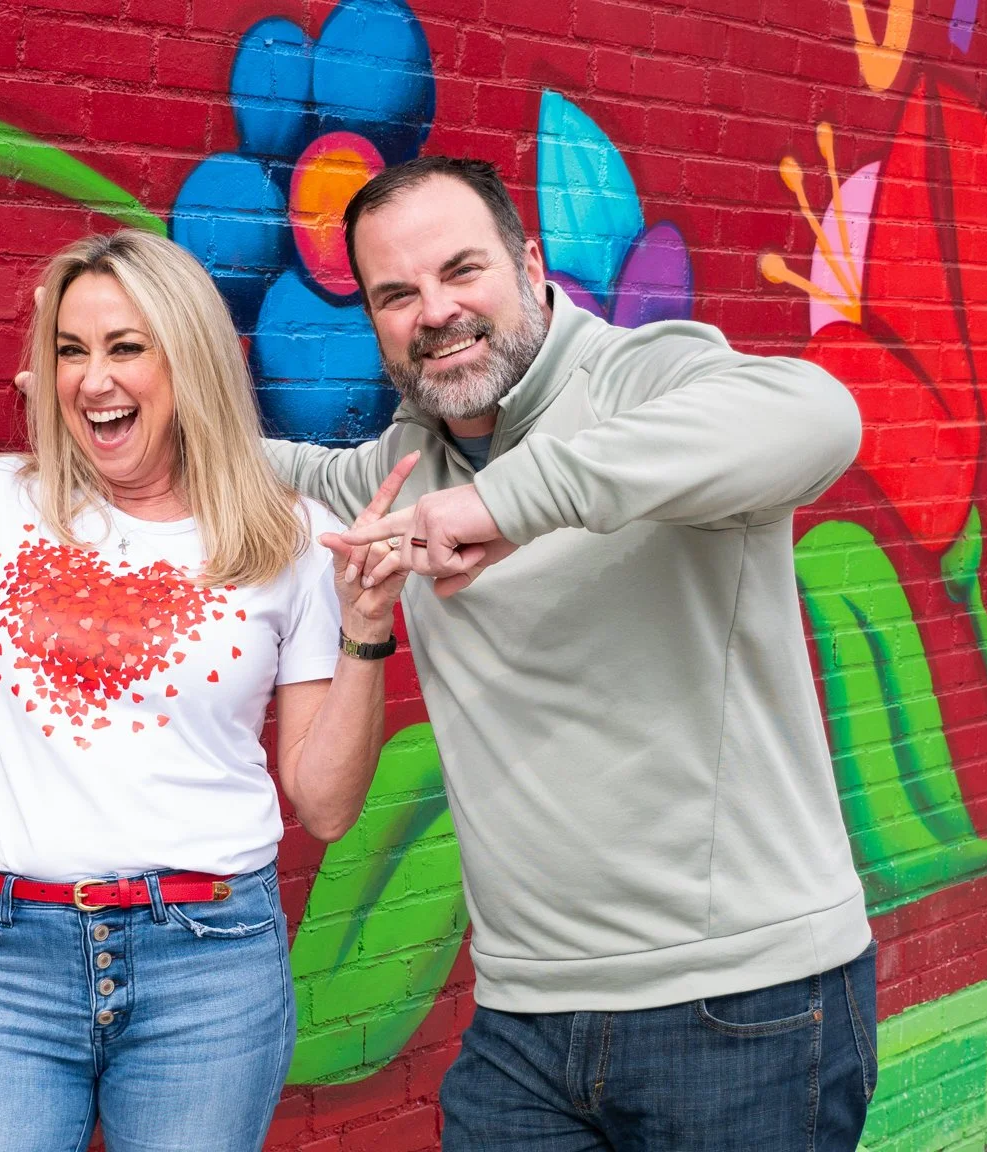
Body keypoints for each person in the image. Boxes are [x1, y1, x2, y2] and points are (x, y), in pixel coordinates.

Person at [266, 156, 878, 1149]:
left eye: (461, 270)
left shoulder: (638, 377)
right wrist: (103, 420)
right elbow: (274, 475)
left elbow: (818, 416)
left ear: (529, 265)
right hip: (522, 1022)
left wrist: (507, 503)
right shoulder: (403, 471)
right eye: (396, 294)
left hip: (741, 1006)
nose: (435, 311)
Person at [0, 229, 417, 1152]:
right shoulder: (0, 501)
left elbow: (327, 804)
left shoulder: (290, 537)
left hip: (208, 966)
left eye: (125, 347)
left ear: (189, 361)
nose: (92, 379)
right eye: (71, 350)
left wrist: (367, 627)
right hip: (6, 962)